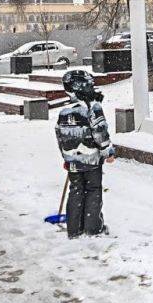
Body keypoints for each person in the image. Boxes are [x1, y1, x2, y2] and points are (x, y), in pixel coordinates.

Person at [55, 70, 114, 238]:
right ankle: (92, 227)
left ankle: (74, 229)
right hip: (91, 160)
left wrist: (66, 156)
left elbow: (60, 136)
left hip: (73, 161)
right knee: (93, 190)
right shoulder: (92, 108)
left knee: (76, 191)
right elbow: (99, 132)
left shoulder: (64, 111)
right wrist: (107, 151)